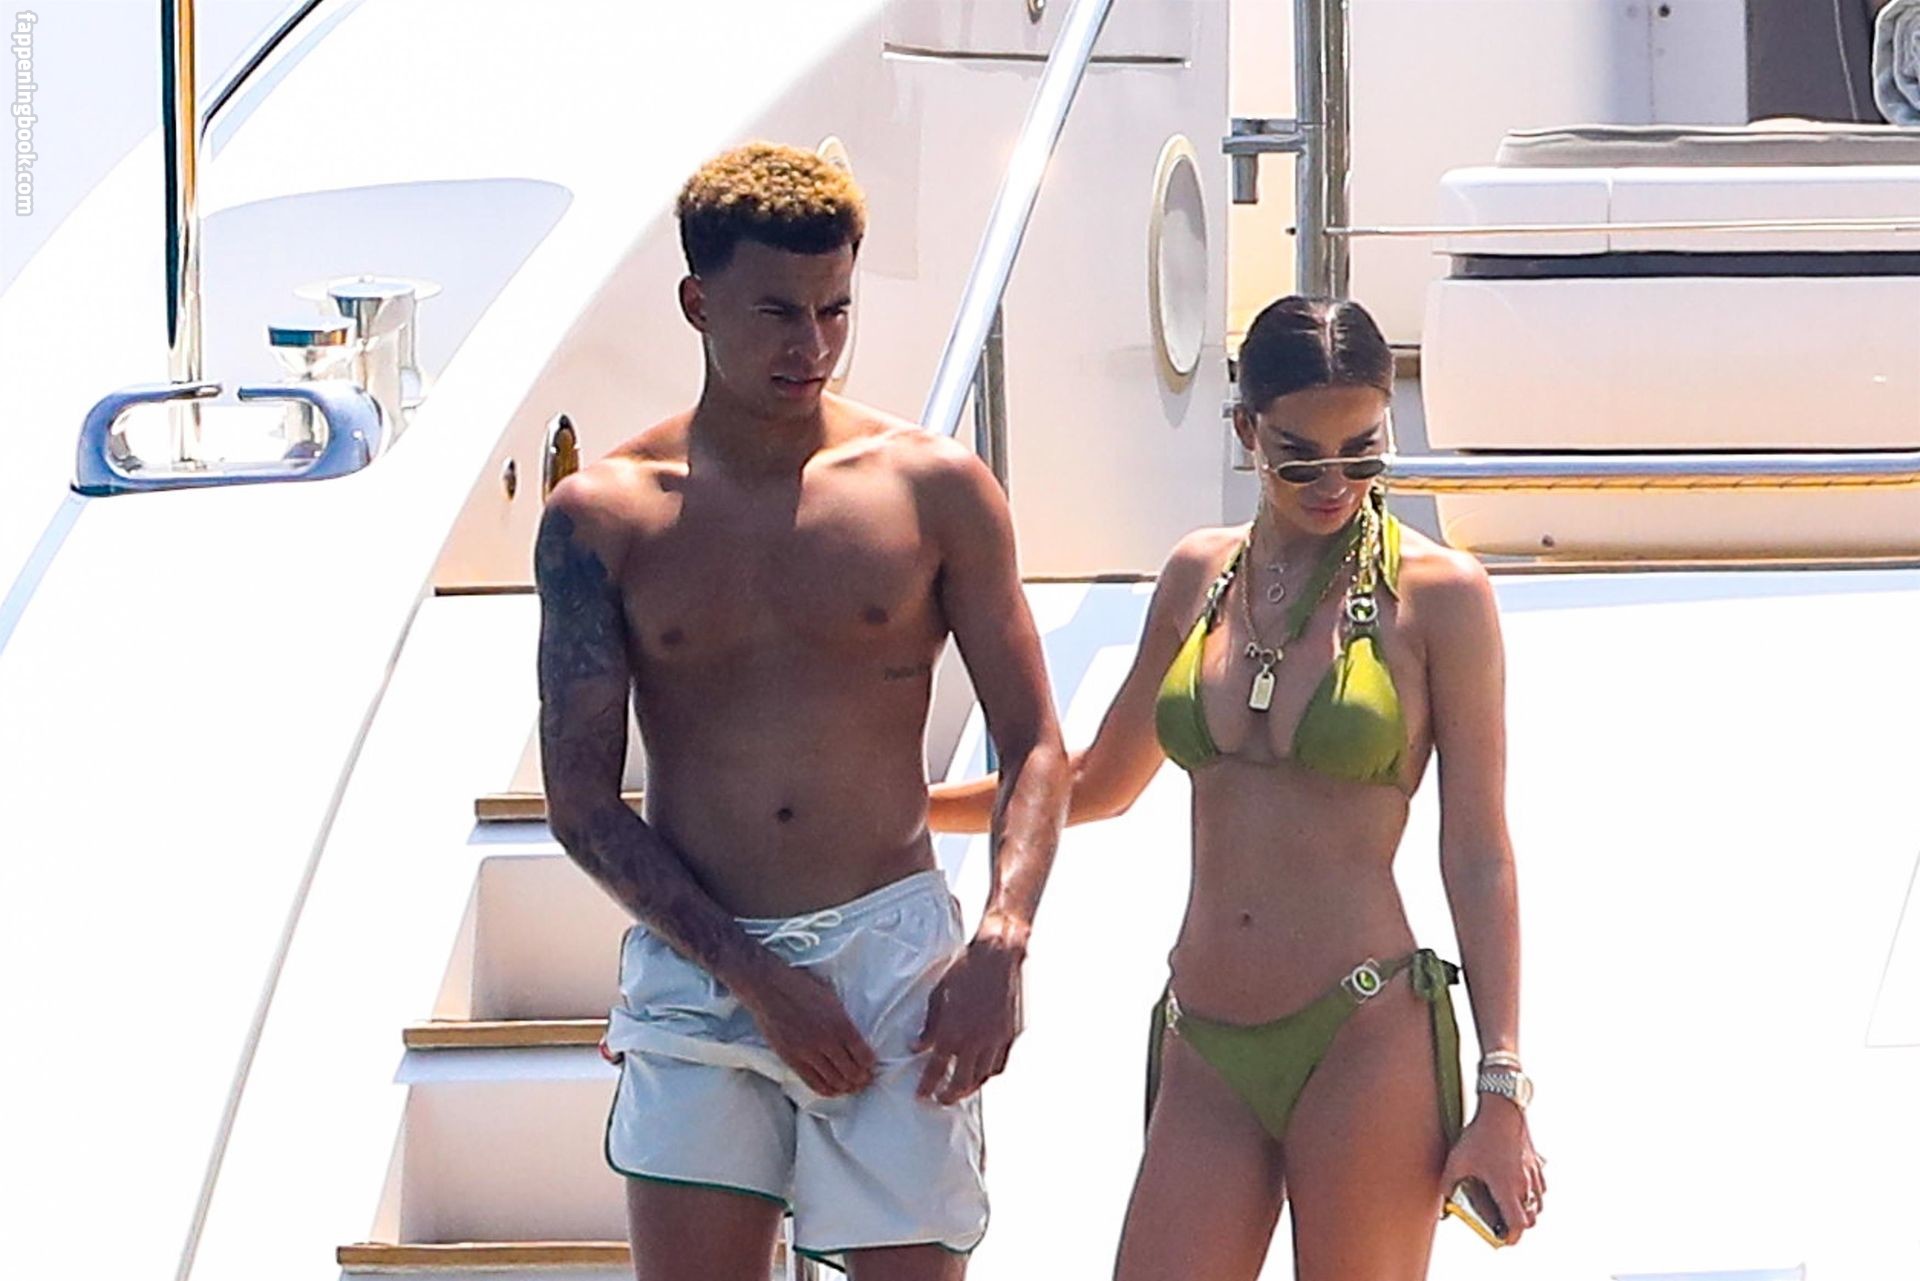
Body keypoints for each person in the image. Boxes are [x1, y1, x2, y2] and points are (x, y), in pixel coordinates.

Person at [536, 142, 1070, 1281]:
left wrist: (1003, 936)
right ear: (698, 302)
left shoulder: (935, 489)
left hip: (895, 963)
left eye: (835, 310)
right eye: (777, 312)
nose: (812, 345)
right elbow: (579, 799)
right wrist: (753, 976)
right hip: (702, 965)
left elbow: (1035, 745)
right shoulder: (606, 517)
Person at [928, 296, 1545, 1279]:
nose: (1335, 483)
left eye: (1364, 452)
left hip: (1364, 1028)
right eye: (1300, 457)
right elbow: (1096, 782)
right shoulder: (1198, 576)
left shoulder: (1440, 597)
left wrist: (1502, 1083)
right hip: (1204, 1037)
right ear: (1246, 430)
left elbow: (1477, 850)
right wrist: (912, 808)